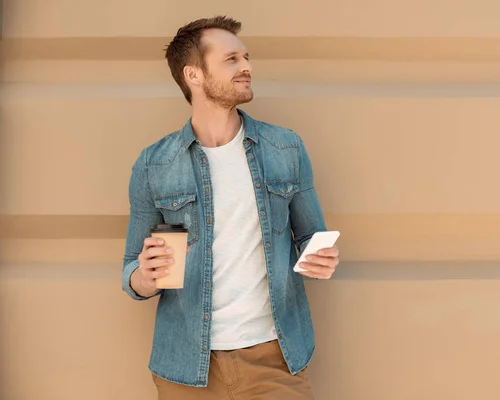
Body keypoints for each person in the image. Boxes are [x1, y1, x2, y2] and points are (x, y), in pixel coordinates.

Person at [121, 15, 340, 399]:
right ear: (194, 75)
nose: (247, 67)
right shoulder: (154, 165)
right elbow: (132, 271)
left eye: (246, 57)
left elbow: (310, 236)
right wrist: (145, 277)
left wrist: (319, 257)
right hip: (186, 368)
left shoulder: (285, 148)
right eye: (232, 59)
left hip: (274, 358)